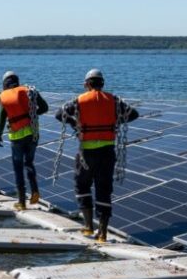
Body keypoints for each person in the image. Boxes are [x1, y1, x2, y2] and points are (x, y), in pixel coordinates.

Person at [55, 68, 138, 242]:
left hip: (87, 152)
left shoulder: (79, 101)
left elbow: (59, 114)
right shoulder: (114, 101)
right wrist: (115, 122)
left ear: (87, 84)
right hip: (107, 152)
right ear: (102, 83)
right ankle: (103, 232)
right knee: (104, 189)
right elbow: (134, 114)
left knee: (82, 185)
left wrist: (76, 125)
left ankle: (88, 226)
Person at [0, 71, 49, 210]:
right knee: (29, 163)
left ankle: (21, 202)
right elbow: (44, 107)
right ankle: (35, 190)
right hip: (32, 134)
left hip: (16, 137)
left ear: (5, 84)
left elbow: (1, 119)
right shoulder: (29, 91)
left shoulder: (4, 97)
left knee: (18, 168)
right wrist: (31, 115)